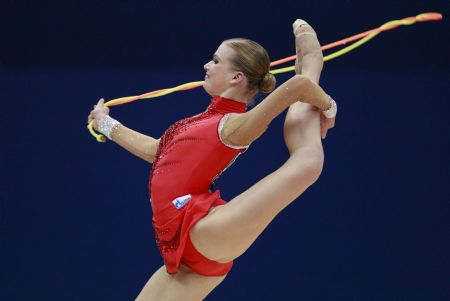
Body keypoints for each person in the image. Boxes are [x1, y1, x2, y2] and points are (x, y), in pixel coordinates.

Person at [88, 19, 336, 301]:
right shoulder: (200, 121)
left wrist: (329, 107)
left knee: (307, 162)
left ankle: (313, 61)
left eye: (216, 60)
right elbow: (156, 152)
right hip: (183, 256)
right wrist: (105, 123)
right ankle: (311, 63)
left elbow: (299, 86)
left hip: (205, 230)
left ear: (236, 78)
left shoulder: (233, 125)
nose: (207, 65)